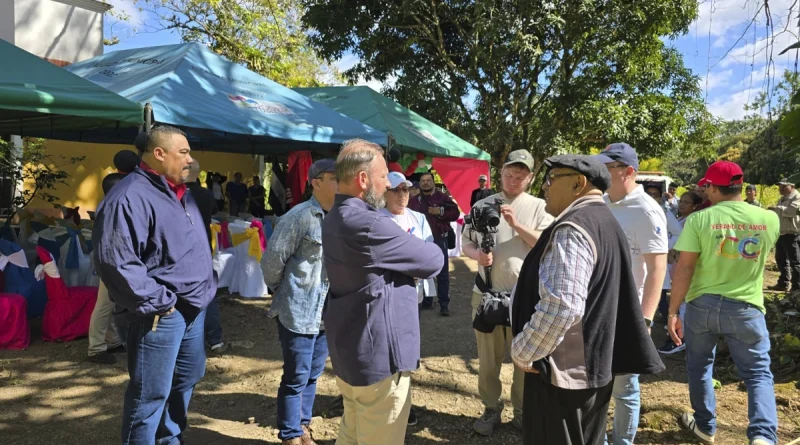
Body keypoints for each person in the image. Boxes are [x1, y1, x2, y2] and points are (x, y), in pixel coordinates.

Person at [511, 154, 664, 445]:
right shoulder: (605, 221)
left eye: (552, 179)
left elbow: (562, 305)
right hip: (592, 367)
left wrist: (524, 350)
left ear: (578, 183)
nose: (545, 186)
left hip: (562, 374)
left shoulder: (574, 227)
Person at [93, 125, 216, 444]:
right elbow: (115, 260)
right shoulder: (129, 196)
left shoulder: (181, 192)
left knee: (186, 379)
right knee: (150, 394)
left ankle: (169, 440)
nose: (190, 159)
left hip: (194, 307)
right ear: (159, 154)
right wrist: (161, 302)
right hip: (159, 314)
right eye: (184, 152)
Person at [322, 139, 443, 445]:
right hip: (379, 362)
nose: (387, 183)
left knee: (352, 432)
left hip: (352, 352)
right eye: (383, 176)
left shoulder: (334, 216)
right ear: (363, 180)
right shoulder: (370, 223)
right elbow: (433, 260)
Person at [667, 160, 780, 445]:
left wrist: (672, 310)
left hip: (701, 306)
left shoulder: (698, 219)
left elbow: (685, 268)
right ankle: (763, 436)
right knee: (757, 373)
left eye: (706, 186)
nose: (704, 191)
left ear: (714, 187)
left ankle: (705, 425)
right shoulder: (769, 219)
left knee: (700, 365)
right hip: (746, 308)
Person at [462, 149, 553, 436]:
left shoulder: (541, 207)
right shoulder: (482, 204)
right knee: (487, 361)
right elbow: (464, 242)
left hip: (525, 298)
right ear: (500, 173)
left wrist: (516, 224)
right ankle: (491, 408)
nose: (513, 180)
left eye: (520, 176)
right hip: (487, 294)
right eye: (508, 174)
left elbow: (544, 243)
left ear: (531, 178)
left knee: (524, 360)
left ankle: (523, 411)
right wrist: (476, 254)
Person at [590, 143, 668, 445]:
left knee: (624, 388)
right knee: (596, 382)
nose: (602, 173)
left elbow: (657, 269)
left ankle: (622, 442)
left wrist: (645, 320)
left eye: (608, 169)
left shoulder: (646, 210)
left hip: (628, 312)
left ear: (629, 172)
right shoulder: (601, 202)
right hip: (597, 309)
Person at [264, 159, 338, 445]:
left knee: (313, 374)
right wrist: (282, 291)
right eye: (333, 178)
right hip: (298, 311)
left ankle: (302, 425)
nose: (339, 183)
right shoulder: (299, 217)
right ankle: (290, 435)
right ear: (315, 182)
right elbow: (272, 261)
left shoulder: (341, 217)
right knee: (296, 376)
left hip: (326, 313)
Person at [379, 171, 435, 427]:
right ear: (384, 192)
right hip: (384, 295)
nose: (402, 194)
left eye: (406, 189)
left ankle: (404, 405)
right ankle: (382, 401)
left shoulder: (420, 219)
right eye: (397, 189)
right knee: (383, 347)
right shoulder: (376, 219)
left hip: (413, 295)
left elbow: (430, 253)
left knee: (407, 349)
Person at [87, 149, 139, 365]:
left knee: (109, 302)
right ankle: (96, 348)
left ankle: (111, 339)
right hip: (112, 260)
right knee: (104, 304)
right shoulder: (115, 206)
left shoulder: (107, 204)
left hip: (110, 258)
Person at [656, 190, 703, 355]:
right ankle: (677, 336)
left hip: (683, 264)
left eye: (686, 202)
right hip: (675, 263)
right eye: (681, 201)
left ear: (695, 206)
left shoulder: (692, 220)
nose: (682, 205)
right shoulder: (681, 218)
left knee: (682, 302)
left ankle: (679, 339)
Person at [186, 161, 225, 354]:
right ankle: (215, 339)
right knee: (208, 294)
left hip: (183, 250)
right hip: (203, 249)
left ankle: (190, 339)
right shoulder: (207, 195)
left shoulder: (176, 194)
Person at [408, 172, 459, 315]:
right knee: (423, 271)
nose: (425, 183)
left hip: (439, 239)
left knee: (442, 273)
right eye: (423, 181)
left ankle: (444, 304)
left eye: (428, 180)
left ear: (433, 182)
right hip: (420, 241)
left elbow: (454, 213)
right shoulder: (414, 201)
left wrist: (440, 211)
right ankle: (426, 300)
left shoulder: (442, 198)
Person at [768, 178, 800, 292]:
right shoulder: (782, 199)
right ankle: (783, 283)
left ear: (792, 186)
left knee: (795, 261)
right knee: (781, 259)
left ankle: (796, 286)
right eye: (779, 187)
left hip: (791, 233)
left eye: (783, 186)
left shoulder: (797, 197)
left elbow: (792, 211)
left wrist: (777, 208)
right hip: (781, 233)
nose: (780, 189)